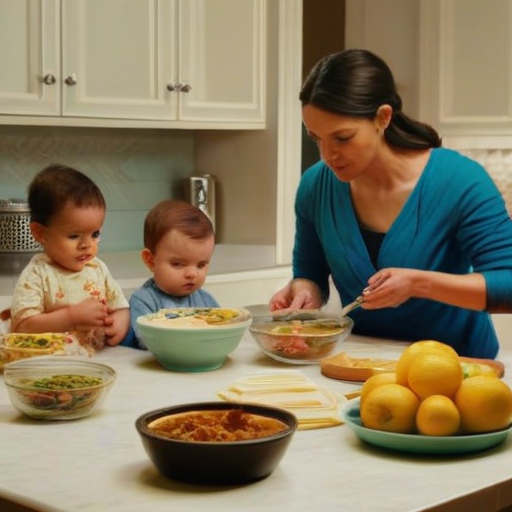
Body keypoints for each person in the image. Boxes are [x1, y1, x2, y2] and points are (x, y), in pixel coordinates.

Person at [269, 48, 512, 359]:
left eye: (342, 138)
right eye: (316, 138)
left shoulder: (459, 180)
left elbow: (507, 285)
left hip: (457, 369)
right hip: (361, 367)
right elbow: (310, 272)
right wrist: (305, 291)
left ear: (382, 118)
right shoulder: (315, 186)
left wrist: (418, 284)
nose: (327, 155)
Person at [10, 164, 130, 350]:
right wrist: (71, 317)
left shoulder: (97, 268)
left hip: (94, 364)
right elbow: (22, 327)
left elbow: (120, 307)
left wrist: (118, 323)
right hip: (49, 365)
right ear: (40, 233)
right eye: (74, 236)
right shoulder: (38, 274)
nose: (86, 245)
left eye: (95, 234)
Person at [128, 200, 219, 349]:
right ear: (151, 261)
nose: (191, 274)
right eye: (178, 264)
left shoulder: (206, 301)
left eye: (201, 265)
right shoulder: (144, 300)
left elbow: (222, 331)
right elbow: (146, 340)